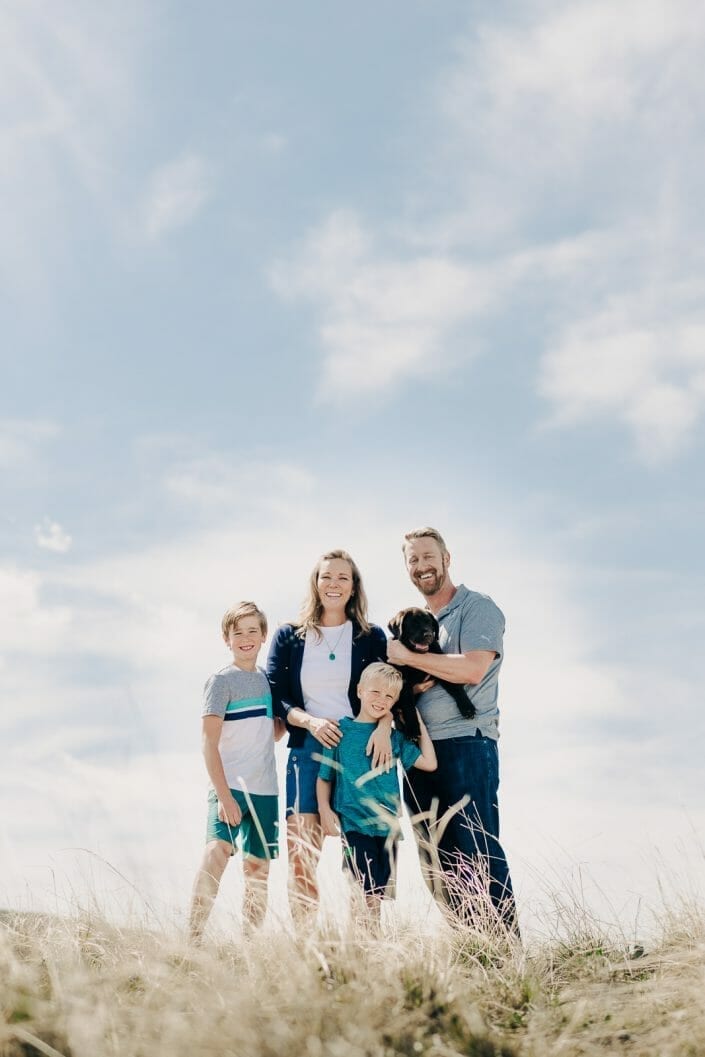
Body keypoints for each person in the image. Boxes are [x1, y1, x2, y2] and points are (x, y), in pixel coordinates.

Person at [386, 527, 519, 933]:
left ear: (446, 559)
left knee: (477, 850)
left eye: (429, 556)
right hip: (416, 752)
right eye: (413, 559)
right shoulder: (415, 622)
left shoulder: (476, 608)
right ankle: (469, 949)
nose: (422, 566)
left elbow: (473, 669)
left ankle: (504, 954)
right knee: (435, 860)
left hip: (466, 744)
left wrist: (408, 657)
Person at [266, 549, 390, 922]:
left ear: (353, 587)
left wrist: (385, 726)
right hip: (308, 749)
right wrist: (310, 722)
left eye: (342, 577)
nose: (333, 584)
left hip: (361, 755)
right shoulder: (289, 636)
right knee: (302, 856)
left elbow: (389, 691)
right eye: (326, 577)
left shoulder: (371, 637)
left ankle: (367, 944)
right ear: (316, 583)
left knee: (365, 862)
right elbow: (276, 694)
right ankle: (306, 948)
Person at [189, 602, 285, 941]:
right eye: (238, 632)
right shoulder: (221, 681)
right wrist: (225, 796)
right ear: (226, 638)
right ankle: (192, 939)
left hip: (266, 791)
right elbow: (208, 742)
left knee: (258, 872)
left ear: (263, 635)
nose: (246, 638)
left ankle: (250, 947)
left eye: (252, 631)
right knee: (216, 853)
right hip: (229, 787)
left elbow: (273, 732)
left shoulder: (269, 681)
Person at [316, 663, 437, 921]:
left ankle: (372, 942)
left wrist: (417, 721)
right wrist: (324, 809)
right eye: (375, 692)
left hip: (387, 826)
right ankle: (358, 941)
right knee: (360, 890)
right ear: (359, 690)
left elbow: (429, 763)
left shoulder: (394, 738)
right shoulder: (340, 732)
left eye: (389, 696)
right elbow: (324, 777)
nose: (381, 700)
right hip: (354, 824)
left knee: (377, 896)